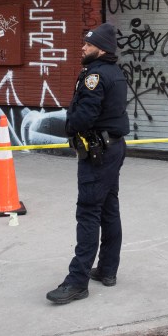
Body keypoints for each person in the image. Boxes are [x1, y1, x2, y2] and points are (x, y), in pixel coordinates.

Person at [46, 22, 129, 305]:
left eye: (87, 44)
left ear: (101, 49)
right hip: (113, 148)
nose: (82, 47)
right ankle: (107, 269)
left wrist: (70, 125)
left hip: (98, 153)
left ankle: (77, 281)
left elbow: (84, 117)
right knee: (108, 207)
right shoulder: (115, 72)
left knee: (88, 213)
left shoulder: (94, 75)